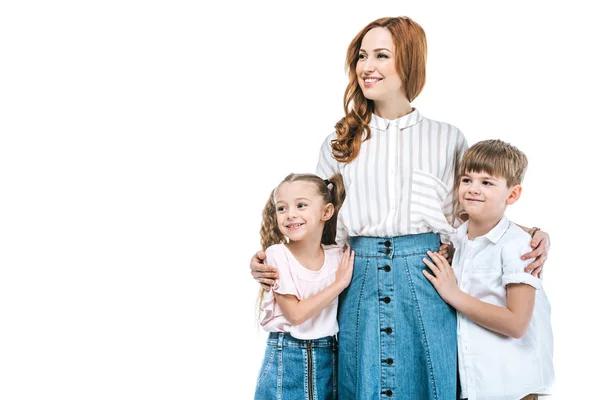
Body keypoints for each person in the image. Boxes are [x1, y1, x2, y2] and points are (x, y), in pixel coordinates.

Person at [250, 16, 551, 399]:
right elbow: (316, 227)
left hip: (428, 278)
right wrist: (272, 259)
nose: (367, 67)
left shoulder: (447, 137)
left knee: (431, 382)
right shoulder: (339, 143)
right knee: (363, 386)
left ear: (408, 61)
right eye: (362, 56)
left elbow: (470, 212)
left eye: (381, 55)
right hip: (357, 279)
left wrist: (532, 233)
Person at [422, 139, 554, 400]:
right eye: (466, 180)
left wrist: (454, 294)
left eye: (487, 182)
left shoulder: (518, 246)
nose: (473, 189)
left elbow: (517, 323)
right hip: (475, 384)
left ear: (513, 194)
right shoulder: (457, 241)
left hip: (511, 387)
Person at [254, 172, 355, 400]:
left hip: (328, 358)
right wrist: (339, 284)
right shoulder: (277, 254)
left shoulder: (338, 256)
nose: (290, 215)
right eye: (282, 208)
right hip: (287, 357)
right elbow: (296, 314)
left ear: (326, 212)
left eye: (301, 205)